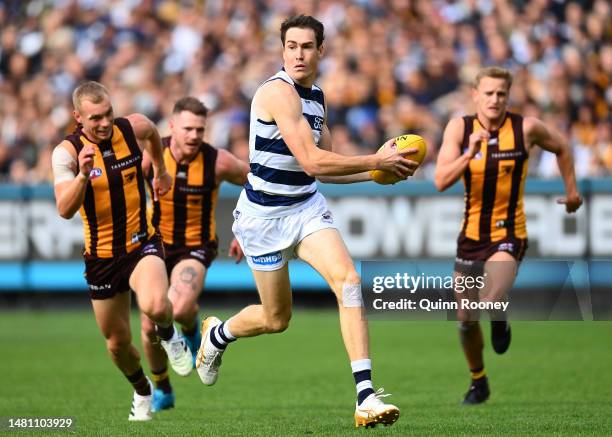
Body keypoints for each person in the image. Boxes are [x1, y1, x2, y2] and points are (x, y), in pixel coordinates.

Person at [195, 15, 419, 428]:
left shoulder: (317, 96)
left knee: (349, 282)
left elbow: (326, 168)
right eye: (292, 45)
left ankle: (365, 396)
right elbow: (313, 160)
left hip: (306, 208)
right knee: (276, 319)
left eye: (307, 46)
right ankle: (217, 335)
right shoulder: (277, 94)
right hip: (263, 219)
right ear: (282, 50)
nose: (299, 53)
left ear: (321, 51)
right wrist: (376, 159)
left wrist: (376, 173)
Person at [434, 66, 583, 405]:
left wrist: (571, 191)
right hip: (470, 236)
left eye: (501, 93)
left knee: (490, 298)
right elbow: (441, 180)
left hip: (509, 233)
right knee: (465, 318)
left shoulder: (525, 128)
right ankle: (478, 381)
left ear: (508, 96)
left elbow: (562, 147)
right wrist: (469, 153)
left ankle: (499, 318)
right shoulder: (460, 128)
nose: (495, 99)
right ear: (475, 95)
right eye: (488, 93)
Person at [52, 81, 193, 421]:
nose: (104, 123)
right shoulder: (66, 154)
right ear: (78, 117)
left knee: (156, 305)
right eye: (95, 118)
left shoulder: (132, 128)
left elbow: (154, 136)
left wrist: (159, 169)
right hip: (101, 258)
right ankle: (143, 390)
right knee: (117, 344)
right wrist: (83, 177)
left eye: (108, 114)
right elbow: (64, 209)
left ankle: (170, 334)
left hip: (141, 243)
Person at [139, 96, 249, 412]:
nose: (194, 136)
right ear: (172, 127)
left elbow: (257, 184)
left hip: (195, 247)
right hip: (154, 247)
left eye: (200, 129)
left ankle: (188, 327)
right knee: (148, 327)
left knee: (179, 302)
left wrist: (243, 229)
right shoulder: (151, 157)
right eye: (187, 128)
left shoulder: (219, 162)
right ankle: (163, 388)